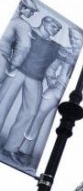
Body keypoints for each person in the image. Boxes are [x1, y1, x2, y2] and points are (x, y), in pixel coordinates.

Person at [16, 28, 83, 167]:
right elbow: (52, 68)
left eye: (76, 39)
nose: (73, 41)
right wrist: (51, 79)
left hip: (71, 94)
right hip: (57, 88)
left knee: (41, 118)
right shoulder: (65, 51)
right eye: (72, 38)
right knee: (38, 116)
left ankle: (25, 151)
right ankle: (24, 151)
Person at [0, 15, 63, 167]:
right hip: (17, 71)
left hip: (36, 78)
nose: (56, 30)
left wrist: (52, 80)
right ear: (45, 21)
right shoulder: (27, 31)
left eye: (58, 29)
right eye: (54, 26)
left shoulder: (55, 46)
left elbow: (52, 67)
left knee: (30, 113)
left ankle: (11, 148)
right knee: (3, 102)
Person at [0, 0, 38, 85]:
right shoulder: (22, 24)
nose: (32, 14)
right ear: (22, 6)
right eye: (31, 11)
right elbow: (24, 46)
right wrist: (13, 65)